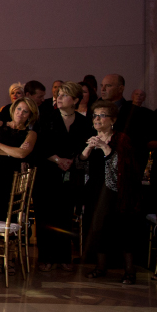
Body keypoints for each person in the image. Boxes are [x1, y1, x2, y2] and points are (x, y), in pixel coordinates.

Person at [80, 100, 141, 284]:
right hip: (96, 190)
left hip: (116, 192)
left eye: (102, 115)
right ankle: (100, 267)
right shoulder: (91, 137)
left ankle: (130, 271)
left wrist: (105, 147)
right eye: (95, 115)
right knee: (98, 229)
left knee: (123, 230)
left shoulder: (121, 139)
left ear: (112, 119)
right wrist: (89, 148)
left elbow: (124, 166)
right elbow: (79, 164)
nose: (97, 119)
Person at [34, 82, 91, 271]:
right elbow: (39, 145)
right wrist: (58, 159)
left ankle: (64, 256)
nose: (58, 97)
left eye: (64, 95)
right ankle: (45, 257)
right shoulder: (47, 117)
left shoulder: (83, 122)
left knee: (66, 215)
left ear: (75, 100)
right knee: (45, 215)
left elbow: (84, 147)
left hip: (70, 174)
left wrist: (72, 160)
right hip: (47, 173)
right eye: (58, 94)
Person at [0, 97, 38, 224]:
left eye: (25, 111)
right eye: (19, 109)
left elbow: (22, 154)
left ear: (30, 115)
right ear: (13, 109)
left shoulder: (30, 134)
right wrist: (12, 153)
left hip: (13, 178)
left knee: (9, 216)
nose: (20, 113)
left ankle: (9, 242)